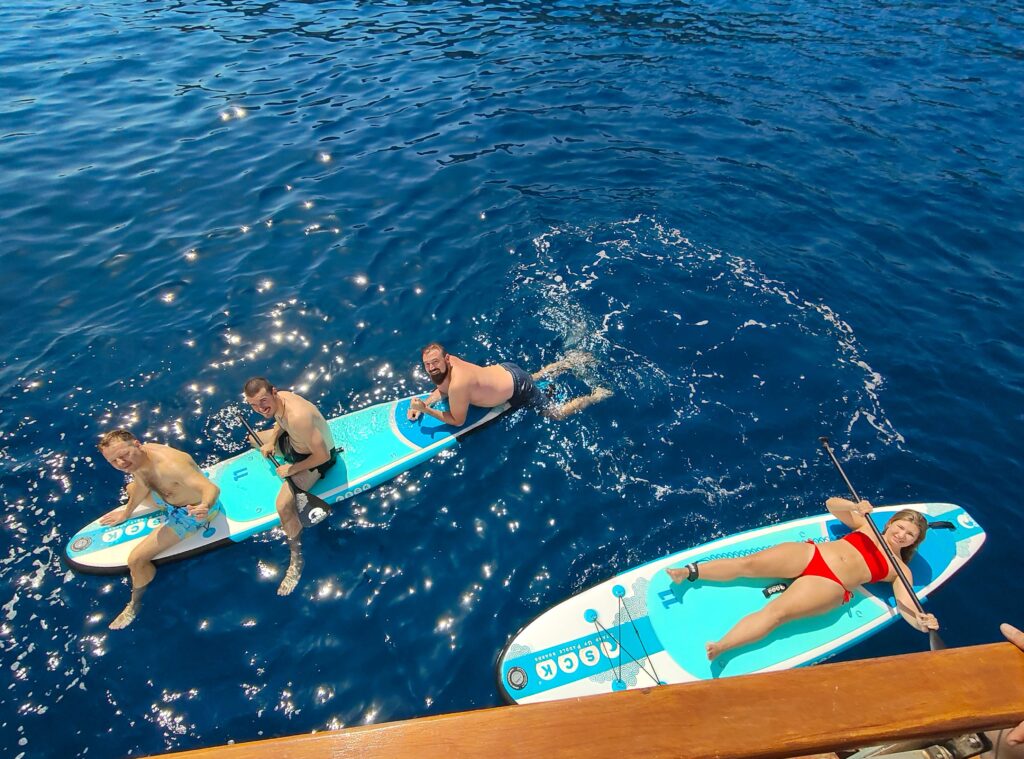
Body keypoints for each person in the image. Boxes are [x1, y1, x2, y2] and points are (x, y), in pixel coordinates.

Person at [667, 497, 939, 660]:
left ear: (916, 541)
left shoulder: (900, 569)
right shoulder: (867, 525)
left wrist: (921, 622)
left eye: (910, 534)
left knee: (777, 613)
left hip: (830, 584)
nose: (902, 535)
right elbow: (831, 505)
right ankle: (688, 572)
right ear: (891, 523)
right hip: (811, 553)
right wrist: (854, 505)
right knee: (747, 563)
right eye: (901, 527)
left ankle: (721, 645)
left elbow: (906, 605)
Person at [97, 429, 222, 630]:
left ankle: (134, 604)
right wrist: (126, 513)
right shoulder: (136, 460)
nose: (121, 463)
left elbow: (211, 489)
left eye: (124, 455)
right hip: (168, 500)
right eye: (114, 461)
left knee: (136, 560)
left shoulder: (171, 465)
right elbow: (141, 483)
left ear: (137, 444)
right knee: (130, 489)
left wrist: (204, 506)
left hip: (192, 512)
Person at [242, 377, 338, 596]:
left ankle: (296, 559)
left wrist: (291, 470)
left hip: (317, 460)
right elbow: (279, 421)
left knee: (283, 505)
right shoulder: (278, 401)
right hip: (293, 445)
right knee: (253, 439)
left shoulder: (299, 417)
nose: (260, 409)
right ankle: (269, 444)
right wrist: (270, 441)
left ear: (274, 392)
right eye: (253, 405)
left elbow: (322, 455)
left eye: (263, 401)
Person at [407, 343, 612, 425]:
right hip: (507, 369)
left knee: (555, 414)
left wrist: (425, 410)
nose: (432, 367)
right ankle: (568, 363)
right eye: (427, 365)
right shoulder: (451, 365)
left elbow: (457, 420)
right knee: (533, 376)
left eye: (435, 362)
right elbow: (442, 387)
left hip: (518, 388)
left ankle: (597, 395)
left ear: (446, 359)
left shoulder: (459, 384)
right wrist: (428, 401)